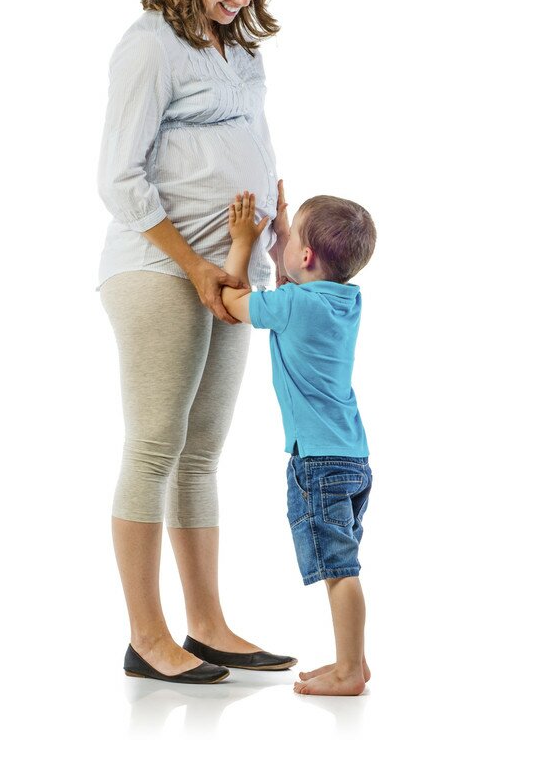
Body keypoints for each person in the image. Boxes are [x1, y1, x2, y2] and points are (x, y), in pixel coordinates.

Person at [97, 0, 296, 684]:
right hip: (160, 269)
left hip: (234, 271)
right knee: (155, 447)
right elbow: (119, 178)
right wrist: (192, 264)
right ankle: (146, 638)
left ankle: (207, 625)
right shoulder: (149, 47)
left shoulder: (240, 49)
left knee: (201, 454)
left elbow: (254, 150)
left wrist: (274, 235)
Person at [220, 187, 377, 696]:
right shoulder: (344, 300)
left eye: (290, 243)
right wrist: (285, 233)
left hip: (318, 461)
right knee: (342, 566)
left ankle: (349, 672)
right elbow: (296, 283)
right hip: (352, 456)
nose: (282, 247)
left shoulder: (290, 305)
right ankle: (354, 661)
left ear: (306, 257)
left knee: (340, 570)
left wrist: (242, 242)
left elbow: (231, 303)